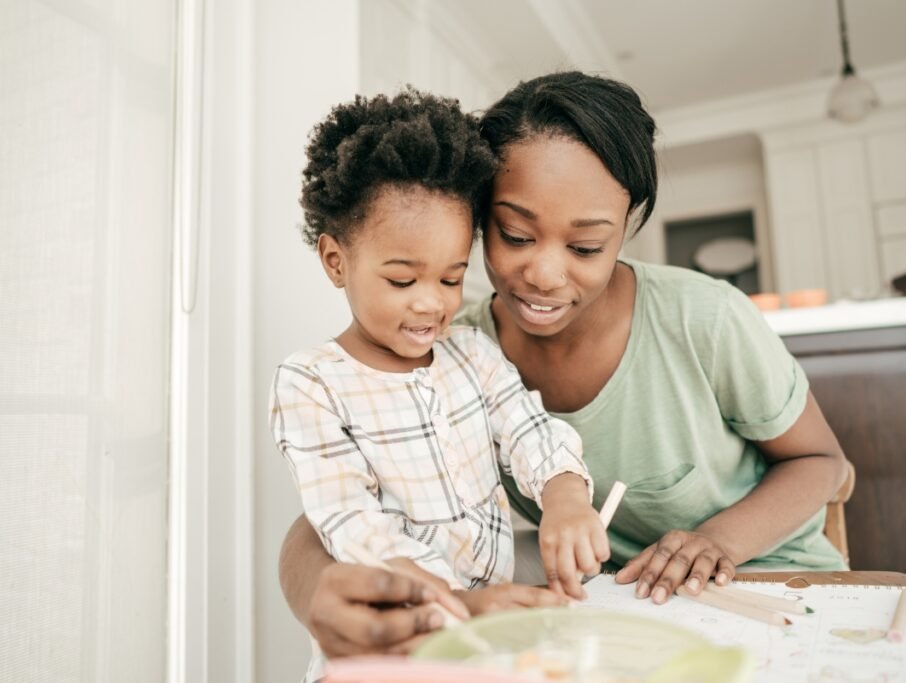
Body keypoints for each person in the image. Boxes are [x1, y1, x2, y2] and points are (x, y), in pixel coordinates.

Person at [278, 71, 850, 658]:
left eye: (584, 247)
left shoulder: (705, 320)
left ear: (626, 227)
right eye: (516, 234)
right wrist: (317, 591)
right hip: (620, 606)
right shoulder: (448, 349)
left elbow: (822, 461)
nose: (545, 275)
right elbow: (335, 511)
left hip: (770, 581)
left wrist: (714, 541)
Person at [271, 89, 608, 679]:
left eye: (452, 279)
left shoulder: (472, 355)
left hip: (488, 640)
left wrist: (564, 495)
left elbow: (529, 429)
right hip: (396, 644)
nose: (432, 303)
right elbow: (352, 525)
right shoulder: (312, 383)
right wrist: (456, 607)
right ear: (336, 262)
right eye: (403, 280)